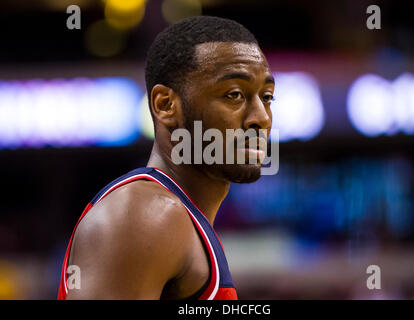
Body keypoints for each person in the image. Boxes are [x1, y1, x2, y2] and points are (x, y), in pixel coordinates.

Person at [58, 15, 275, 300]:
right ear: (165, 105)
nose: (260, 117)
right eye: (234, 95)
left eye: (267, 96)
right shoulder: (145, 214)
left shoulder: (175, 218)